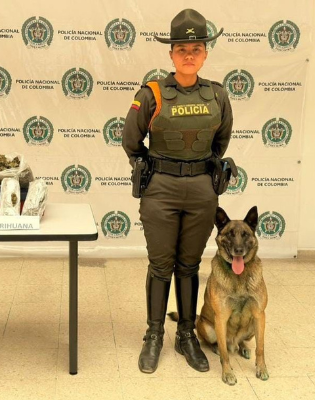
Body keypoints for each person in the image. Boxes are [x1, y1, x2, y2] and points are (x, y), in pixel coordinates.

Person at [121, 9, 233, 374]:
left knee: (189, 265)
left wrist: (198, 170)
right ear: (171, 54)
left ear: (205, 54)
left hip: (201, 191)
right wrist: (154, 170)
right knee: (160, 265)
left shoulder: (217, 95)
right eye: (181, 49)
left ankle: (186, 335)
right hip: (161, 191)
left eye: (196, 49)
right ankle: (154, 334)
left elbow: (220, 142)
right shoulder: (152, 93)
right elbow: (131, 140)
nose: (189, 55)